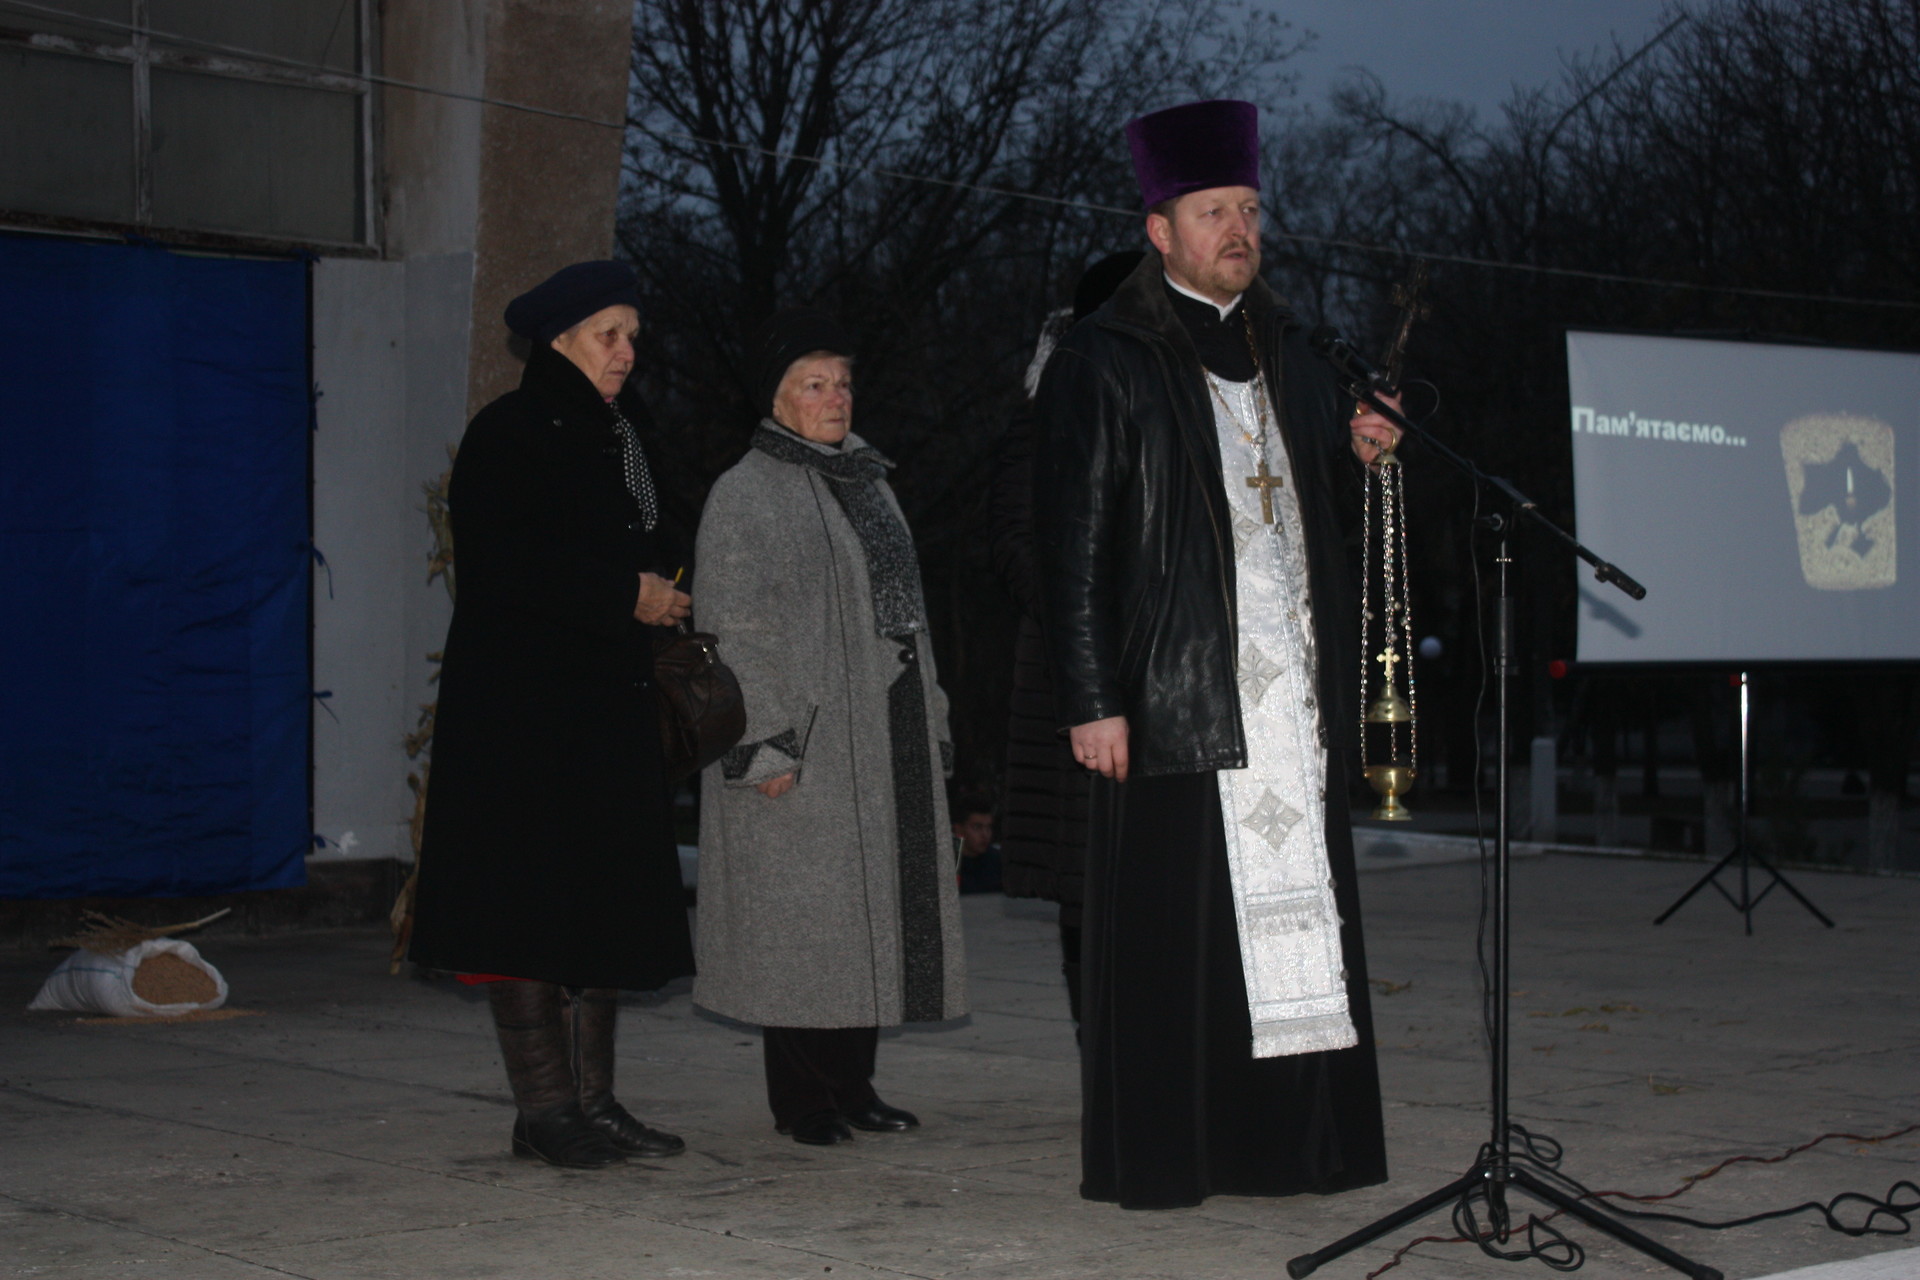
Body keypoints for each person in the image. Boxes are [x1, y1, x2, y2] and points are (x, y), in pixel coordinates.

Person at [1032, 100, 1400, 1210]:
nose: (1239, 228)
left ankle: (1289, 1147)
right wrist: (1094, 698)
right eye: (1212, 211)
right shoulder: (1103, 355)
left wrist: (1360, 449)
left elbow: (1302, 518)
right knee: (1177, 944)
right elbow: (1070, 542)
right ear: (1160, 229)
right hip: (1175, 692)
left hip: (1293, 704)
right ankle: (1173, 1156)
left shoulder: (1288, 344)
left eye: (1248, 207)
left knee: (1298, 925)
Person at [408, 260, 696, 1169]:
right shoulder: (512, 430)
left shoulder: (624, 435)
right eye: (610, 334)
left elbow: (655, 537)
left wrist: (669, 583)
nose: (627, 351)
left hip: (605, 707)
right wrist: (626, 594)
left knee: (600, 902)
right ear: (559, 338)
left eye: (634, 335)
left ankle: (597, 1104)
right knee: (526, 906)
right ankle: (544, 1111)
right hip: (523, 715)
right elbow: (503, 568)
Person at [691, 308, 968, 1147]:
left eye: (842, 382)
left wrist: (937, 720)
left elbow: (910, 618)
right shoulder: (746, 492)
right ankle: (804, 1103)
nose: (835, 396)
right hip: (804, 744)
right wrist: (766, 743)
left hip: (882, 738)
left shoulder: (868, 482)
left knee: (868, 923)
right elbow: (734, 629)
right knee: (804, 931)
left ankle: (855, 1089)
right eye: (814, 384)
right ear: (778, 401)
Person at [990, 251, 1142, 1027]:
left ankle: (1164, 1054)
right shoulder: (1047, 411)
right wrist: (1101, 624)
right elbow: (1020, 544)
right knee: (1092, 887)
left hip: (1164, 688)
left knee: (1158, 887)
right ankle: (1106, 1056)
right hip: (1075, 685)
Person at [949, 791, 1003, 895]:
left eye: (988, 827)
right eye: (977, 827)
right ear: (958, 829)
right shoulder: (947, 865)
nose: (985, 834)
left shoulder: (998, 861)